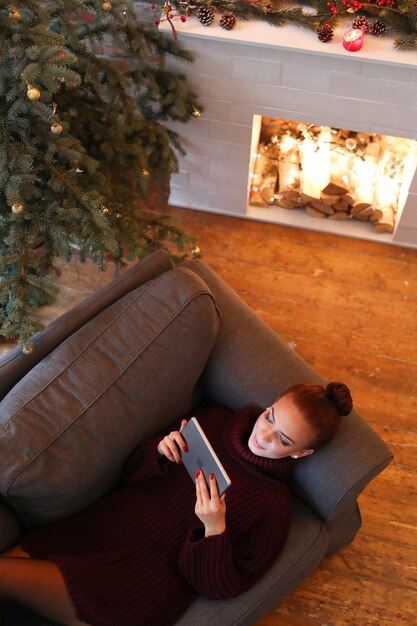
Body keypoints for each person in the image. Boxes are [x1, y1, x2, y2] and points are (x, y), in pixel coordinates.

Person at [0, 381, 352, 626]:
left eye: (282, 439)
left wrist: (213, 531)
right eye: (270, 417)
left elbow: (222, 587)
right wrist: (158, 451)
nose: (263, 435)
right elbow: (132, 476)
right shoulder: (214, 422)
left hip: (137, 580)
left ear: (302, 452)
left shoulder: (273, 509)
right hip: (102, 528)